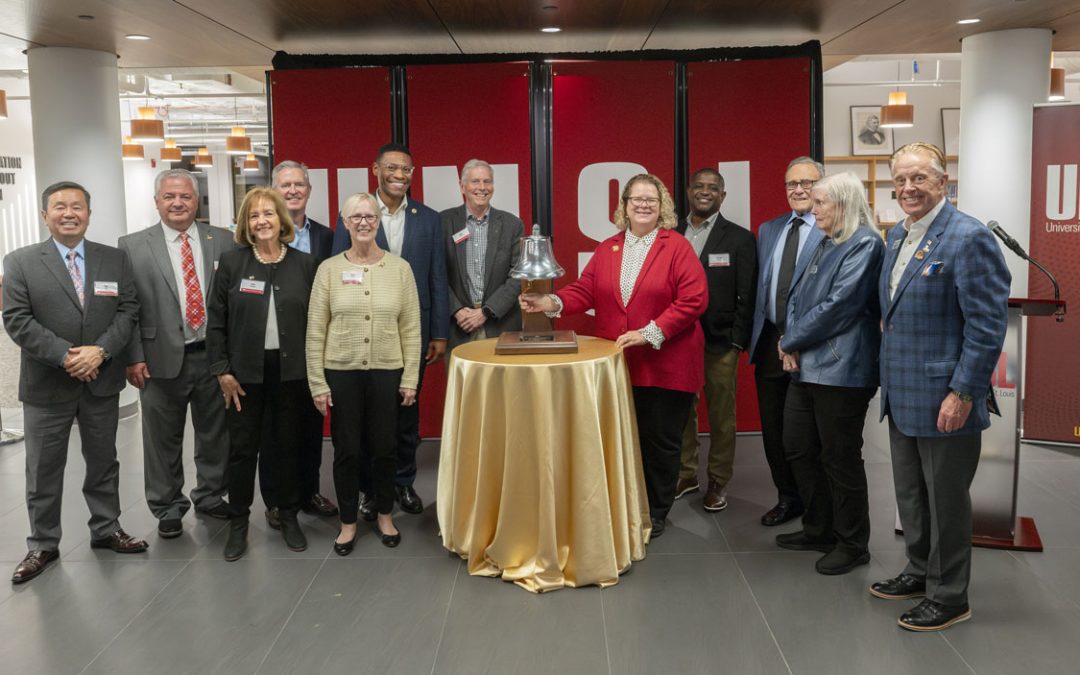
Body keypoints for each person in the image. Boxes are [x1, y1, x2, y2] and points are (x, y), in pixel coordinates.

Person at [520, 174, 707, 537]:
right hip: (620, 365)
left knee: (660, 441)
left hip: (666, 365)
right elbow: (586, 290)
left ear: (662, 206)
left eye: (651, 199)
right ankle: (627, 504)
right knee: (622, 438)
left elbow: (694, 299)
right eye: (636, 199)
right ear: (624, 205)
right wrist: (550, 301)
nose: (643, 205)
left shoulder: (677, 247)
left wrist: (649, 332)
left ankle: (655, 512)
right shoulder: (609, 247)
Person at [872, 142, 1009, 631]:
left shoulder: (968, 237)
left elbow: (987, 326)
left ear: (942, 182)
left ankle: (950, 595)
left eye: (919, 178)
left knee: (946, 500)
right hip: (902, 393)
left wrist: (964, 392)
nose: (908, 187)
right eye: (901, 179)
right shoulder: (897, 235)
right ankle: (919, 570)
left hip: (945, 396)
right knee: (912, 496)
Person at [4, 181, 147, 584]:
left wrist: (100, 352)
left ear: (89, 213)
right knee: (43, 469)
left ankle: (106, 528)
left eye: (77, 206)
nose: (69, 213)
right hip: (47, 383)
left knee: (103, 461)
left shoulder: (114, 259)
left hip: (100, 379)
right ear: (44, 214)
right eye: (60, 207)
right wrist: (67, 355)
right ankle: (43, 543)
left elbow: (128, 311)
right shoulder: (20, 262)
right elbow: (17, 319)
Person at [774, 172, 884, 575]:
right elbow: (795, 296)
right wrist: (790, 341)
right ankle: (819, 528)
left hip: (843, 369)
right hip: (806, 363)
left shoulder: (865, 243)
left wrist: (790, 341)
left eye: (820, 202)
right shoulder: (825, 238)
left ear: (844, 204)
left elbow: (839, 306)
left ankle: (853, 543)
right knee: (799, 447)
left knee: (839, 457)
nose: (812, 208)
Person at [119, 168, 236, 539]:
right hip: (157, 358)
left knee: (215, 433)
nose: (177, 203)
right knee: (162, 438)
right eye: (169, 196)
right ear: (157, 201)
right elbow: (127, 307)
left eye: (185, 196)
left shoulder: (223, 240)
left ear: (197, 201)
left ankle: (211, 495)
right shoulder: (132, 246)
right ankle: (168, 506)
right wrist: (133, 356)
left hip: (213, 356)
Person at [332, 143, 448, 517]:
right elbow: (337, 270)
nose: (399, 175)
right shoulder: (356, 213)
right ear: (376, 169)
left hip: (414, 330)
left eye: (406, 169)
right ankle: (370, 490)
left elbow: (437, 276)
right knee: (368, 415)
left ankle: (403, 481)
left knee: (406, 411)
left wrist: (439, 332)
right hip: (367, 330)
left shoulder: (428, 219)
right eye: (392, 168)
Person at [207, 187, 318, 561]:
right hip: (243, 375)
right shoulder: (231, 263)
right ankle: (238, 523)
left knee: (287, 447)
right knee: (241, 451)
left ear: (281, 219)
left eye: (268, 213)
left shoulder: (305, 264)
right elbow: (216, 322)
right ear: (246, 224)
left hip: (291, 373)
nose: (262, 221)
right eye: (254, 215)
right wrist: (222, 370)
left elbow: (317, 321)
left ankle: (288, 515)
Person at [310, 192, 421, 552]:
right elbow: (316, 330)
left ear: (378, 221)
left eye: (370, 216)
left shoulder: (400, 269)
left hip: (387, 371)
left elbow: (411, 329)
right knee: (347, 451)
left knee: (385, 448)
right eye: (355, 217)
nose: (363, 223)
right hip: (341, 373)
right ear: (345, 223)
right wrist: (317, 382)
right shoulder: (328, 270)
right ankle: (347, 522)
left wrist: (410, 378)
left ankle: (385, 514)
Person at [747, 157, 826, 526]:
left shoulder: (831, 228)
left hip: (812, 345)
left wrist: (798, 336)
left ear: (822, 186)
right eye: (792, 184)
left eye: (807, 183)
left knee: (809, 434)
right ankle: (788, 498)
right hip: (769, 342)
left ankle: (818, 507)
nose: (798, 190)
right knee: (774, 431)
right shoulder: (769, 229)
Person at [260, 160, 338, 530]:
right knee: (275, 427)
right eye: (285, 185)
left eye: (299, 185)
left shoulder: (327, 236)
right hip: (273, 345)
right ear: (274, 190)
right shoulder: (259, 235)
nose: (292, 191)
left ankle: (308, 492)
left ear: (309, 190)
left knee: (310, 423)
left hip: (317, 344)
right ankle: (276, 501)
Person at [674, 168, 757, 512]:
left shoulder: (740, 239)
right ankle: (686, 474)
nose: (705, 192)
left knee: (722, 416)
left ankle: (719, 479)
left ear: (722, 196)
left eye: (713, 188)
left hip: (720, 342)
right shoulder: (670, 234)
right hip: (677, 342)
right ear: (688, 191)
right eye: (699, 186)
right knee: (682, 412)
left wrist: (738, 341)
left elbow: (748, 295)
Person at [442, 159, 524, 350]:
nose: (482, 187)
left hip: (501, 325)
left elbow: (518, 275)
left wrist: (486, 311)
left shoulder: (512, 225)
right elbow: (436, 274)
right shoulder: (442, 222)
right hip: (457, 327)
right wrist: (457, 310)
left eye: (487, 181)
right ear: (462, 186)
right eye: (475, 181)